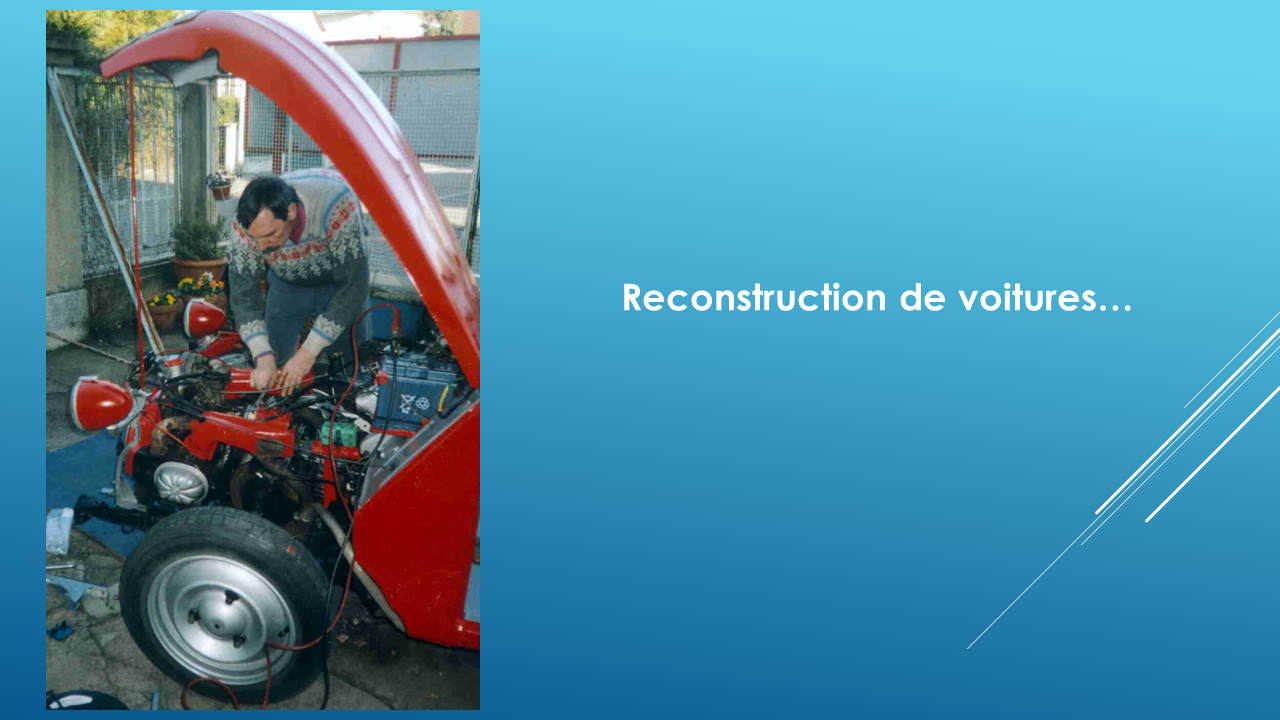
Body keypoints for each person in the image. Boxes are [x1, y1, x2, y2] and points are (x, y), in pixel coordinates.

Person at [227, 169, 370, 390]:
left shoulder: (336, 202)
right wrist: (262, 356)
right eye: (256, 239)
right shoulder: (244, 224)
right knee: (275, 367)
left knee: (350, 371)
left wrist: (308, 352)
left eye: (270, 235)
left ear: (291, 211)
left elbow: (354, 286)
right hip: (286, 283)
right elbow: (243, 296)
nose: (262, 247)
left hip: (338, 283)